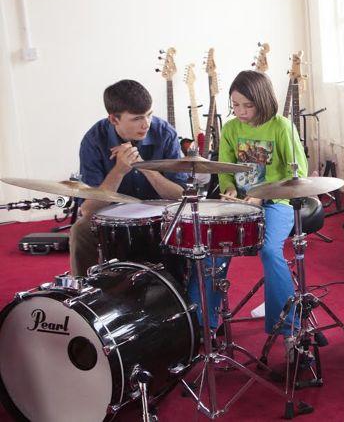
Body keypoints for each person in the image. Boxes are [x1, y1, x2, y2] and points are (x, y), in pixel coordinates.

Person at [195, 70, 306, 353]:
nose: (241, 112)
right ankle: (204, 327)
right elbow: (224, 170)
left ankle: (289, 329)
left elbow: (300, 175)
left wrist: (261, 194)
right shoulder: (231, 129)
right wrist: (231, 190)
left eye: (248, 105)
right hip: (241, 203)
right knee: (211, 250)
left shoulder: (281, 126)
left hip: (276, 202)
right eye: (235, 105)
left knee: (270, 251)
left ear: (262, 100)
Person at [70, 80, 186, 276]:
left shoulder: (164, 133)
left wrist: (144, 167)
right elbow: (88, 208)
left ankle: (182, 292)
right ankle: (85, 294)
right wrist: (119, 170)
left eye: (149, 114)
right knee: (80, 230)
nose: (146, 124)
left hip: (160, 214)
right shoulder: (93, 139)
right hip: (112, 216)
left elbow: (181, 195)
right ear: (114, 120)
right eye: (137, 118)